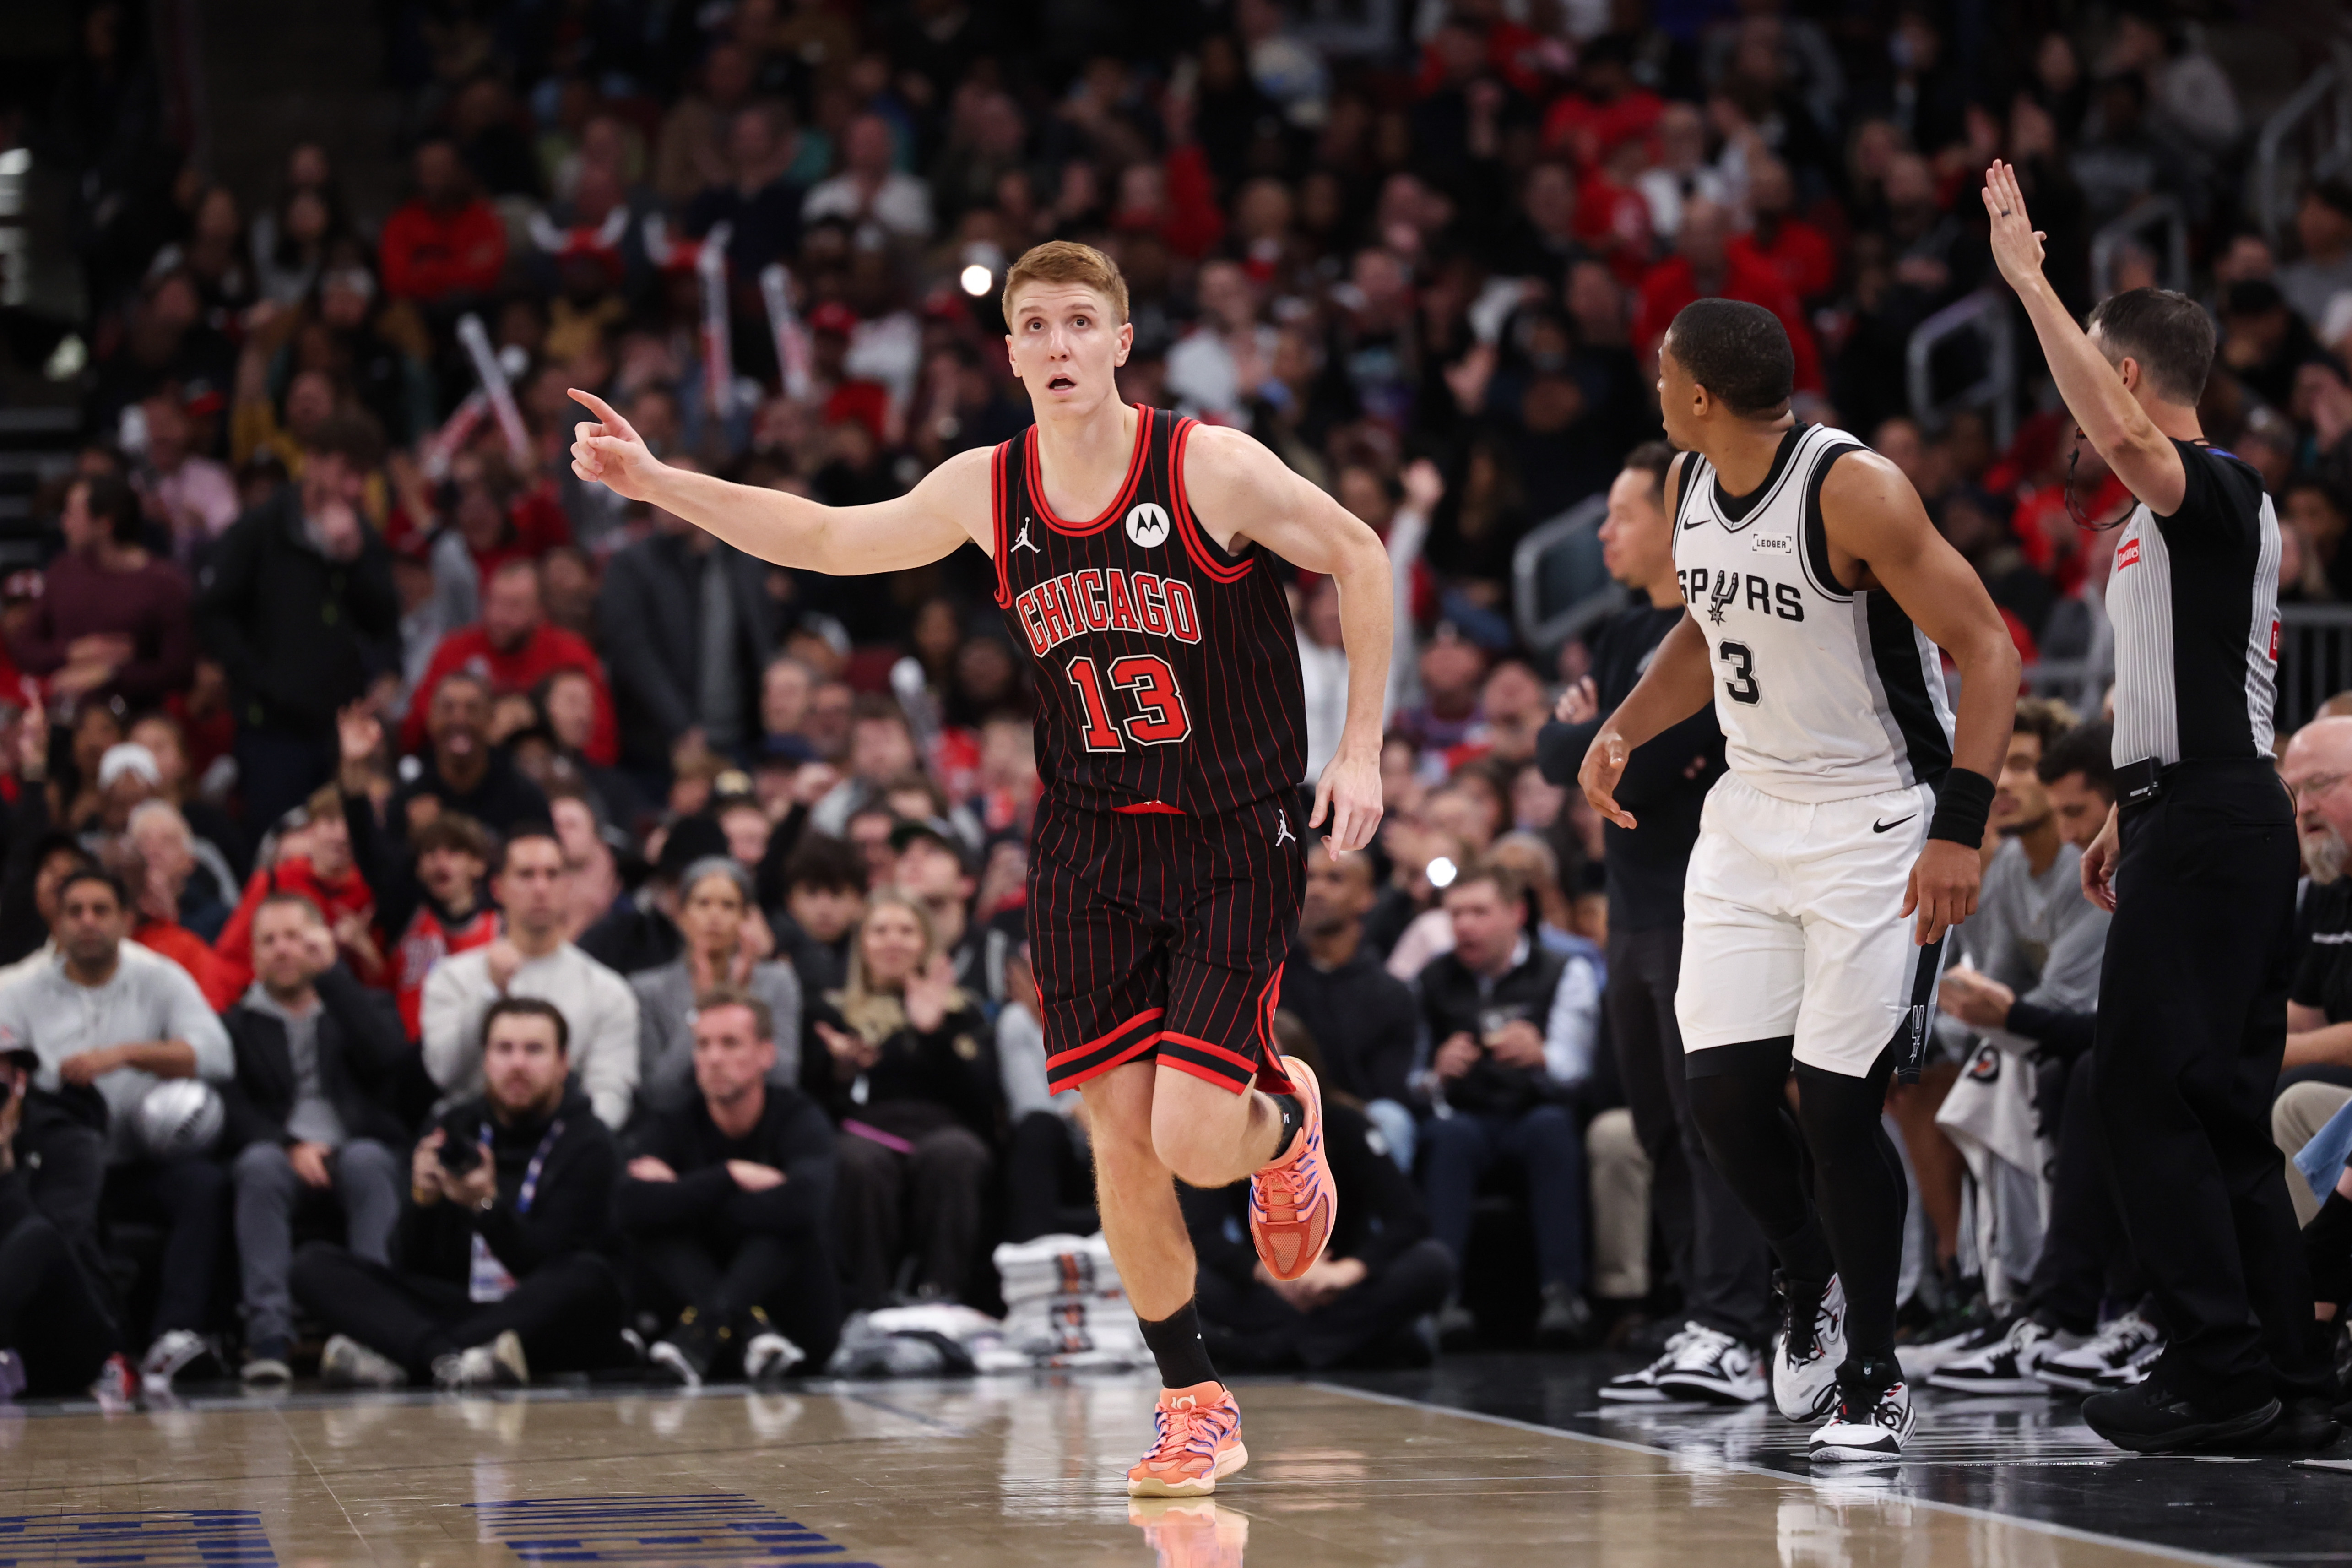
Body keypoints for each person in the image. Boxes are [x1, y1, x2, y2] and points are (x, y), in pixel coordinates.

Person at [569, 238, 1390, 1497]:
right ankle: (1193, 1400)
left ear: (1120, 342)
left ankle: (1284, 1120)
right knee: (1116, 1132)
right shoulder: (987, 486)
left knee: (1191, 1134)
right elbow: (829, 537)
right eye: (1033, 327)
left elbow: (1361, 553)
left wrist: (1363, 752)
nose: (1056, 347)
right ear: (1006, 351)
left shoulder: (1205, 464)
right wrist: (660, 483)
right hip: (1084, 840)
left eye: (1079, 323)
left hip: (1232, 830)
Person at [1578, 295, 2021, 1462]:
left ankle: (1874, 1374)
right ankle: (1808, 1272)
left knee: (1833, 1104)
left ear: (1703, 395)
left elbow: (1989, 649)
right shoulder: (1686, 487)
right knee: (1720, 1096)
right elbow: (1706, 633)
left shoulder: (1852, 487)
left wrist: (1960, 831)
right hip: (1750, 812)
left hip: (1873, 816)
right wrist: (1621, 728)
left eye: (1665, 373)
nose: (1655, 387)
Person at [1986, 160, 2337, 1453]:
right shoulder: (2175, 516)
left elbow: (2133, 440)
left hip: (2216, 823)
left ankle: (2218, 1372)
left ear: (2123, 378)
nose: (2084, 423)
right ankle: (2284, 1373)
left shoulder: (2210, 487)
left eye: (2092, 376)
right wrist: (2131, 803)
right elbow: (2189, 683)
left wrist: (2029, 284)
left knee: (2137, 1094)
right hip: (2201, 811)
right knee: (2222, 1110)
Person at [1537, 440, 1771, 1408]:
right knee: (1653, 1126)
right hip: (1627, 917)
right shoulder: (1620, 630)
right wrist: (1588, 740)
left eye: (1619, 514)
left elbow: (1625, 752)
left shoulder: (1714, 626)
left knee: (1708, 1119)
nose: (1602, 533)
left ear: (1671, 525)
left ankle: (1739, 1322)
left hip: (1700, 907)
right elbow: (1567, 753)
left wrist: (1595, 737)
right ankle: (1695, 1314)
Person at [292, 998, 628, 1389]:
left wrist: (485, 1206)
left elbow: (548, 1265)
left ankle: (417, 1356)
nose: (517, 1063)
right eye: (504, 1049)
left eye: (534, 1050)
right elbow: (409, 1265)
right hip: (459, 1307)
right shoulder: (454, 1127)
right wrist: (424, 1199)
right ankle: (448, 1358)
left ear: (562, 1063)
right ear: (485, 1059)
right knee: (312, 1265)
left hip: (538, 1316)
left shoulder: (590, 1142)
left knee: (591, 1278)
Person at [0, 868, 235, 1391]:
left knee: (205, 1185)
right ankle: (67, 1348)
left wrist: (127, 1054)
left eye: (101, 909)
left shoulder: (160, 975)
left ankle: (170, 1339)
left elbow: (219, 1055)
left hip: (140, 1158)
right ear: (55, 922)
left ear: (126, 919)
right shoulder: (15, 985)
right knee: (50, 1214)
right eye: (75, 910)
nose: (88, 921)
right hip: (54, 1156)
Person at [1181, 1024, 1454, 1372]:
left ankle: (1275, 1350)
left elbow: (1409, 1217)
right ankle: (1357, 1345)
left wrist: (1346, 1271)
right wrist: (1271, 1275)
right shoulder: (1222, 1135)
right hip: (1268, 1285)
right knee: (1190, 1277)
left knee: (1433, 1262)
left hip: (1344, 1283)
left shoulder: (1346, 1123)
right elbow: (1201, 1231)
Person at [1413, 859, 1604, 1348]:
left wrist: (1543, 1055)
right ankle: (1441, 1299)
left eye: (1478, 911)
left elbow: (1580, 1068)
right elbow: (1411, 1079)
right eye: (1455, 914)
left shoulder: (1563, 970)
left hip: (1532, 1109)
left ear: (1516, 912)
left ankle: (1563, 1294)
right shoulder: (1432, 977)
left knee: (1550, 1128)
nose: (1464, 925)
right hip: (1467, 1115)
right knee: (1447, 1137)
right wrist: (1436, 1072)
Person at [219, 894, 409, 1384]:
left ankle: (373, 1332)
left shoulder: (357, 1004)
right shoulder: (235, 1024)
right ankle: (268, 1337)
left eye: (296, 937)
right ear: (255, 955)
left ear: (320, 942)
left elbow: (390, 1061)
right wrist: (288, 1143)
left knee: (370, 1160)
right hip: (279, 1152)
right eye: (270, 940)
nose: (284, 949)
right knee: (258, 1165)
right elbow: (231, 1105)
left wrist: (335, 978)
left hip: (353, 1145)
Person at [615, 985, 841, 1386]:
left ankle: (708, 1327)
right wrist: (730, 1176)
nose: (714, 1057)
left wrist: (687, 1194)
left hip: (791, 1329)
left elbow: (808, 1204)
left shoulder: (797, 1116)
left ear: (766, 1055)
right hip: (698, 1339)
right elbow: (627, 1205)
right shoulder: (673, 1119)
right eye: (703, 1044)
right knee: (656, 1226)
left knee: (785, 1229)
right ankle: (747, 1328)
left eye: (731, 1043)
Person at [194, 413, 400, 832]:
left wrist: (355, 561)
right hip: (272, 729)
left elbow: (384, 621)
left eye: (363, 475)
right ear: (314, 461)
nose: (354, 488)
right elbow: (213, 612)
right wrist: (256, 676)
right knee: (278, 839)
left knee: (347, 839)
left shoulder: (363, 535)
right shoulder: (260, 528)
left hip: (340, 726)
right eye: (346, 472)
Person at [804, 892, 997, 1309]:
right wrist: (841, 1071)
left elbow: (983, 1103)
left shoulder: (964, 1012)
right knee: (857, 1161)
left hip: (942, 1131)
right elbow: (810, 1105)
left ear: (926, 942)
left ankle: (941, 1295)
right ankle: (869, 1301)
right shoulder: (831, 1013)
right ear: (862, 946)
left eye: (907, 931)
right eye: (880, 930)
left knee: (956, 1154)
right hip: (865, 1133)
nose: (893, 941)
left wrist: (934, 1033)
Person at [422, 830, 641, 1131]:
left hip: (569, 1153)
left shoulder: (608, 990)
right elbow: (445, 1073)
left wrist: (573, 1146)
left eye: (552, 875)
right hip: (474, 1138)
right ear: (498, 888)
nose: (541, 887)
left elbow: (610, 1092)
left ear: (567, 886)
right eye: (526, 874)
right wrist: (488, 993)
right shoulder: (452, 977)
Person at [401, 559, 620, 767]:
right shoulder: (454, 651)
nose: (498, 616)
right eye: (493, 602)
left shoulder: (570, 653)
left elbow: (602, 743)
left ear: (540, 611)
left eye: (514, 606)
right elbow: (414, 732)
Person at [0, 1043, 126, 1400]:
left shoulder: (68, 1140)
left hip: (63, 1326)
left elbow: (56, 1243)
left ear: (19, 1085)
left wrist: (5, 1174)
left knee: (37, 1237)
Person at [629, 857, 802, 1118]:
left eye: (728, 905)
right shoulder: (648, 990)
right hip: (677, 1129)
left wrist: (739, 1000)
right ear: (683, 915)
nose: (715, 915)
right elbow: (659, 1094)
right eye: (703, 903)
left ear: (746, 917)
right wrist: (701, 1010)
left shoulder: (778, 982)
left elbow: (783, 1080)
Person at [1280, 847, 1419, 1171]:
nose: (1316, 889)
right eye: (1310, 878)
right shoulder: (1270, 975)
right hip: (1280, 1110)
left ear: (1367, 897)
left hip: (1356, 1118)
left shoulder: (1390, 993)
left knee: (1391, 1118)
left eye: (1335, 879)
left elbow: (1388, 1091)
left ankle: (1384, 1219)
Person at [8, 472, 195, 707]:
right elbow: (24, 648)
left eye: (72, 514)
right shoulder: (64, 571)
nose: (64, 523)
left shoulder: (165, 584)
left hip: (138, 717)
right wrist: (72, 652)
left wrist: (110, 675)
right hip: (69, 717)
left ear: (104, 524)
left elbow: (180, 671)